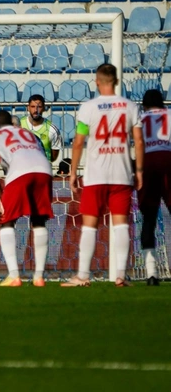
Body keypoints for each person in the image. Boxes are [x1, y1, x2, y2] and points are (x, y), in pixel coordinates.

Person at [63, 64, 144, 287]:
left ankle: (83, 276)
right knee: (121, 225)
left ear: (97, 82)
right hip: (121, 173)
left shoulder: (88, 107)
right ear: (116, 81)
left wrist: (72, 172)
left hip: (96, 174)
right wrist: (139, 171)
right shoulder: (130, 106)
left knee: (89, 225)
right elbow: (138, 141)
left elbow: (79, 141)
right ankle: (120, 276)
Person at [0, 110, 54, 287]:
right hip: (44, 170)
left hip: (20, 171)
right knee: (38, 220)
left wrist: (2, 197)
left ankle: (14, 276)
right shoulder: (27, 133)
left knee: (7, 221)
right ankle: (39, 277)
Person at [136, 89, 171, 286]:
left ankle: (151, 274)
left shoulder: (140, 117)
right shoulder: (170, 114)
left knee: (149, 218)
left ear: (144, 105)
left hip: (147, 161)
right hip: (168, 158)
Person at [13, 94, 62, 163]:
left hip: (43, 170)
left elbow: (53, 157)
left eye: (39, 107)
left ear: (44, 108)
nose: (36, 110)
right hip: (24, 169)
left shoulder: (52, 129)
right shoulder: (18, 125)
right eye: (33, 106)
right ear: (28, 108)